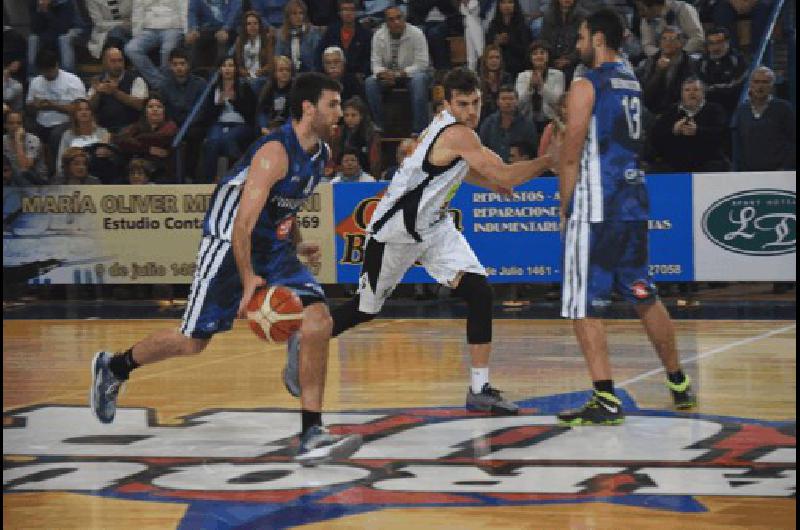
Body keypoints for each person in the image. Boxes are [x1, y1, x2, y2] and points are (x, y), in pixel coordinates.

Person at [89, 72, 364, 466]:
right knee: (192, 341)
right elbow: (243, 223)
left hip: (272, 244)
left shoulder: (319, 154)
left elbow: (287, 203)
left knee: (319, 319)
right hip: (228, 241)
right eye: (333, 104)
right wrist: (249, 278)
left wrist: (296, 242)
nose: (340, 112)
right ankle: (114, 367)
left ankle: (311, 433)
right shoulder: (274, 152)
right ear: (308, 107)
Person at [282, 67, 555, 415]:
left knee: (479, 292)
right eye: (463, 104)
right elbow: (502, 171)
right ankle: (305, 337)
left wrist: (492, 184)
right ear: (448, 103)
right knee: (365, 310)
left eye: (476, 102)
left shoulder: (448, 127)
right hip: (394, 232)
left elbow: (462, 169)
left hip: (433, 228)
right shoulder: (457, 133)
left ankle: (479, 388)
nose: (471, 111)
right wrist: (548, 161)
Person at [554, 9, 695, 426]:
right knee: (642, 293)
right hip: (632, 201)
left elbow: (571, 151)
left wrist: (565, 208)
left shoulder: (586, 84)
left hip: (596, 206)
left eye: (582, 35)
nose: (577, 43)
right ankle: (679, 382)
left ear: (598, 39)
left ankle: (605, 399)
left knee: (583, 305)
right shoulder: (631, 79)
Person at [366, 5, 432, 134]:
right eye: (391, 19)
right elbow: (375, 64)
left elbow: (423, 64)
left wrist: (400, 74)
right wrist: (382, 74)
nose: (396, 22)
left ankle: (419, 130)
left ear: (404, 18)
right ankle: (379, 126)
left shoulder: (417, 34)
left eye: (399, 18)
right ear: (386, 23)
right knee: (370, 83)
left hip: (410, 75)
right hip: (388, 77)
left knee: (419, 80)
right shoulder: (378, 36)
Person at [650, 77, 730, 172]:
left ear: (703, 93)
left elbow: (722, 134)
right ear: (681, 94)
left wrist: (697, 131)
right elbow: (655, 137)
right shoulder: (671, 111)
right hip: (675, 165)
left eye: (696, 90)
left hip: (708, 164)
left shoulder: (715, 110)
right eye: (687, 90)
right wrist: (673, 131)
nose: (691, 93)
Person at [25, 49, 87, 171]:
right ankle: (33, 170)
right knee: (26, 129)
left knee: (56, 135)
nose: (47, 74)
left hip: (64, 122)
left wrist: (53, 106)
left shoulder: (72, 81)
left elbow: (80, 109)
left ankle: (54, 171)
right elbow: (28, 107)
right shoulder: (36, 82)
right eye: (44, 71)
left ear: (56, 65)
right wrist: (35, 106)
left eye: (50, 70)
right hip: (40, 121)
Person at [200, 56, 257, 183]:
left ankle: (234, 179)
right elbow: (207, 116)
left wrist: (235, 101)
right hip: (219, 123)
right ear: (220, 69)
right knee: (212, 141)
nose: (228, 69)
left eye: (231, 65)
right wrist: (218, 104)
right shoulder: (214, 88)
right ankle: (208, 182)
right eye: (225, 66)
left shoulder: (244, 86)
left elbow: (251, 113)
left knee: (228, 139)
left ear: (235, 69)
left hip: (240, 124)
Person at [732, 66, 796, 171]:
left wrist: (786, 167)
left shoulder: (784, 108)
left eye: (765, 82)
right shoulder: (742, 110)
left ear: (772, 85)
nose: (760, 86)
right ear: (750, 84)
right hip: (749, 174)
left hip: (779, 173)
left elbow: (793, 140)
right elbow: (738, 143)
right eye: (756, 82)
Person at [113, 95, 178, 182]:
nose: (155, 110)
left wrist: (137, 138)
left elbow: (160, 138)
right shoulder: (137, 126)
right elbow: (120, 140)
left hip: (159, 171)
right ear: (145, 111)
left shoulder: (170, 125)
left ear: (164, 111)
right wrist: (148, 149)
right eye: (150, 107)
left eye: (159, 107)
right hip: (135, 168)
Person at [124, 0, 188, 88]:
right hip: (148, 28)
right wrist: (136, 35)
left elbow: (184, 9)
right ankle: (160, 83)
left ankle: (169, 83)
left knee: (168, 50)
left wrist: (186, 31)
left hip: (173, 26)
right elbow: (137, 12)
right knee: (131, 49)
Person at [638, 26, 697, 115]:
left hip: (679, 111)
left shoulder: (689, 63)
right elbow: (646, 95)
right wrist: (659, 72)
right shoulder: (651, 61)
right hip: (653, 110)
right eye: (664, 39)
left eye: (672, 39)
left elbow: (690, 93)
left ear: (681, 43)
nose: (667, 42)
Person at [88, 47, 148, 134]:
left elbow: (141, 105)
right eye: (113, 61)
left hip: (129, 129)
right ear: (104, 63)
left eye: (120, 61)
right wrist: (98, 93)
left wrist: (115, 92)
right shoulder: (98, 80)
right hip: (102, 129)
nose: (118, 65)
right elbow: (89, 108)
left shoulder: (136, 79)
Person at [479, 85, 539, 162]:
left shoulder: (527, 124)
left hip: (519, 168)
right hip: (493, 168)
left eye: (511, 99)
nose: (507, 102)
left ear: (517, 101)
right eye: (504, 99)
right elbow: (481, 148)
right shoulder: (488, 123)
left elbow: (533, 152)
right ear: (498, 102)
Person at [516, 40, 565, 131]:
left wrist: (542, 87)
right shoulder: (523, 76)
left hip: (551, 121)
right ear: (530, 58)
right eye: (535, 54)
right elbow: (518, 104)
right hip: (527, 122)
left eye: (542, 53)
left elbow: (558, 101)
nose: (539, 56)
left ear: (548, 56)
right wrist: (530, 88)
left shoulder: (558, 75)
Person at [697, 27, 747, 117]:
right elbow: (701, 85)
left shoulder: (738, 59)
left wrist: (714, 88)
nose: (715, 47)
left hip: (732, 104)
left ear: (727, 42)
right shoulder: (702, 62)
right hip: (708, 106)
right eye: (711, 43)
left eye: (719, 42)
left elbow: (736, 85)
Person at [27, 0, 87, 76]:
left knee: (63, 39)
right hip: (48, 32)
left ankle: (69, 76)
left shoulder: (65, 2)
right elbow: (35, 28)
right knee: (33, 39)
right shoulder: (34, 3)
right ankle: (32, 77)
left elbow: (62, 28)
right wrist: (41, 10)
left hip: (71, 28)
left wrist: (46, 11)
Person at [55, 98, 112, 177]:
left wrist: (108, 153)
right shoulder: (67, 135)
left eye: (87, 109)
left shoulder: (103, 133)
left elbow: (111, 158)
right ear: (74, 114)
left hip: (99, 175)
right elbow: (60, 163)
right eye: (80, 110)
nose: (84, 112)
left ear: (91, 113)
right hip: (73, 177)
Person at [317, 0, 373, 78]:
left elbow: (369, 58)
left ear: (356, 12)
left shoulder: (365, 34)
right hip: (331, 74)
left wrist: (362, 73)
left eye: (351, 9)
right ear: (339, 13)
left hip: (355, 76)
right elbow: (319, 53)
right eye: (345, 9)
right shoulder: (331, 31)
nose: (348, 13)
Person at [186, 0, 241, 71]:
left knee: (222, 48)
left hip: (229, 29)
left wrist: (225, 28)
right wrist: (193, 29)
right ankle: (198, 76)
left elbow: (234, 12)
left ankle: (218, 77)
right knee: (192, 42)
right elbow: (192, 11)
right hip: (206, 29)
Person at [638, 0, 704, 58]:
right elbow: (647, 45)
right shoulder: (646, 17)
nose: (640, 13)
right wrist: (660, 55)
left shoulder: (684, 9)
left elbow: (698, 38)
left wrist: (680, 55)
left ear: (653, 7)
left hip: (688, 54)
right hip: (661, 57)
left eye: (642, 9)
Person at [234, 10, 276, 95]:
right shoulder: (239, 41)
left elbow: (271, 64)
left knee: (256, 83)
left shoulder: (267, 40)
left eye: (255, 23)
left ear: (259, 25)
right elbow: (238, 65)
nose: (252, 26)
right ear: (245, 26)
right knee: (242, 84)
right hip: (245, 76)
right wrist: (244, 72)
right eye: (249, 24)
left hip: (262, 76)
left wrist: (260, 71)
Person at [486, 0, 532, 76]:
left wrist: (509, 41)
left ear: (515, 5)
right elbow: (488, 47)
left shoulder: (522, 25)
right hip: (499, 64)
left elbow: (526, 50)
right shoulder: (494, 24)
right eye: (503, 2)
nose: (506, 5)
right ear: (499, 5)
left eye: (510, 2)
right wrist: (496, 43)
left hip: (518, 64)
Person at [275, 0, 322, 73]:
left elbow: (317, 58)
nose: (298, 17)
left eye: (301, 13)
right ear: (288, 17)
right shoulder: (282, 33)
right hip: (288, 74)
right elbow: (278, 57)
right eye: (294, 14)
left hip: (310, 73)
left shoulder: (313, 32)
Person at [3, 110, 49, 184]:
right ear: (5, 125)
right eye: (11, 123)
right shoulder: (4, 140)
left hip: (36, 180)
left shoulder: (33, 140)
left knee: (20, 173)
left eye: (19, 123)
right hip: (11, 178)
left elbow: (24, 167)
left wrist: (18, 141)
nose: (15, 126)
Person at [256, 55, 294, 134]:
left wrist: (281, 129)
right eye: (281, 70)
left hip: (287, 128)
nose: (285, 73)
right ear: (274, 73)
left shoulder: (295, 89)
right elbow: (262, 111)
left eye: (288, 70)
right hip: (269, 126)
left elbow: (293, 115)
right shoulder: (268, 89)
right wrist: (263, 127)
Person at [477, 44, 514, 124]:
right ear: (485, 60)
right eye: (491, 58)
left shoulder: (507, 78)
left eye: (497, 57)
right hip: (483, 121)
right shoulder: (478, 80)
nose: (494, 61)